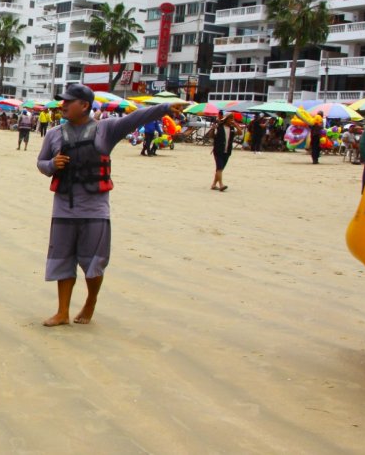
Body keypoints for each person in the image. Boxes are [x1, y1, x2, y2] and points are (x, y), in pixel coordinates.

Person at [36, 84, 183, 327]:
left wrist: (165, 108)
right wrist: (52, 164)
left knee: (93, 262)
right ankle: (62, 312)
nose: (62, 105)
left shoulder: (106, 129)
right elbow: (41, 163)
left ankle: (90, 301)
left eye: (68, 101)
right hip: (63, 208)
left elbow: (136, 118)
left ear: (84, 106)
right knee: (62, 259)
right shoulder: (53, 135)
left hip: (95, 209)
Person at [206, 112, 239, 192]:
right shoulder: (219, 127)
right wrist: (213, 129)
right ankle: (221, 185)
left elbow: (240, 133)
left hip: (227, 151)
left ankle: (214, 184)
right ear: (226, 119)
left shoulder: (231, 128)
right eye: (230, 119)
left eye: (232, 119)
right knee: (220, 168)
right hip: (218, 151)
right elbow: (211, 136)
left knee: (219, 169)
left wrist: (236, 126)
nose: (231, 120)